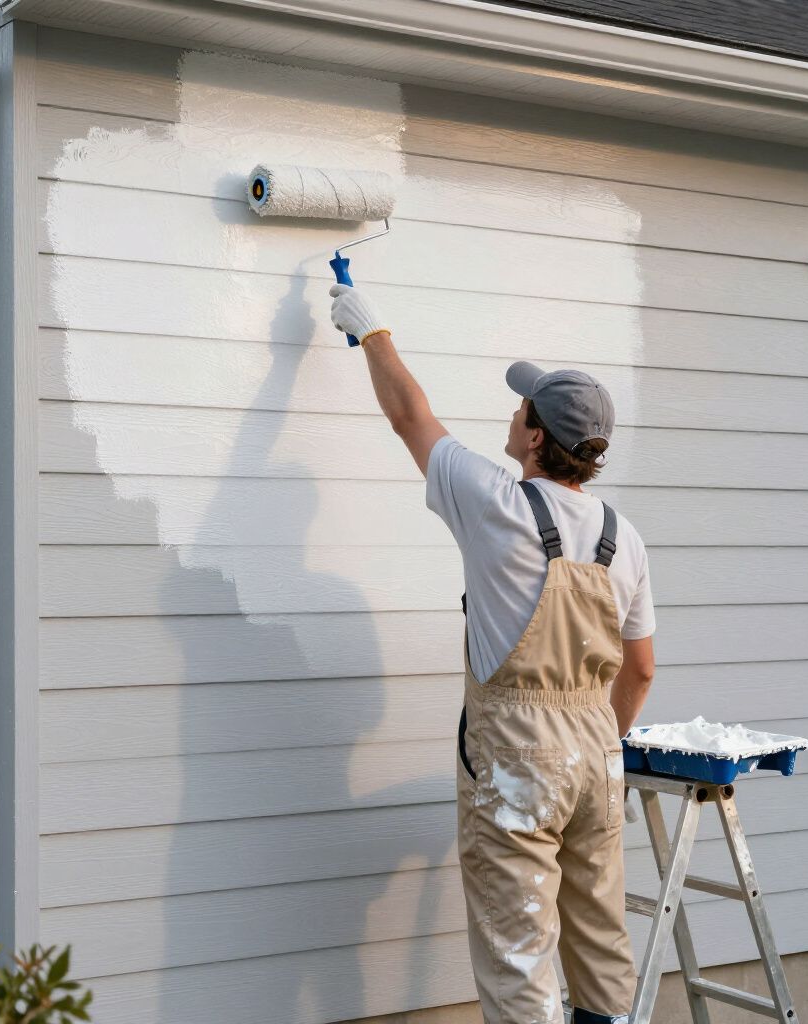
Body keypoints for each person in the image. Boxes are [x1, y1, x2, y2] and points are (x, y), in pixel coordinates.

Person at [329, 281, 657, 1024]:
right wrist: (599, 739)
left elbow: (410, 417)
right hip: (597, 758)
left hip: (519, 756)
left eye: (523, 409)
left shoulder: (496, 502)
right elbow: (639, 670)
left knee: (519, 954)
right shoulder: (623, 536)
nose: (513, 414)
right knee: (602, 943)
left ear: (537, 438)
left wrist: (372, 329)